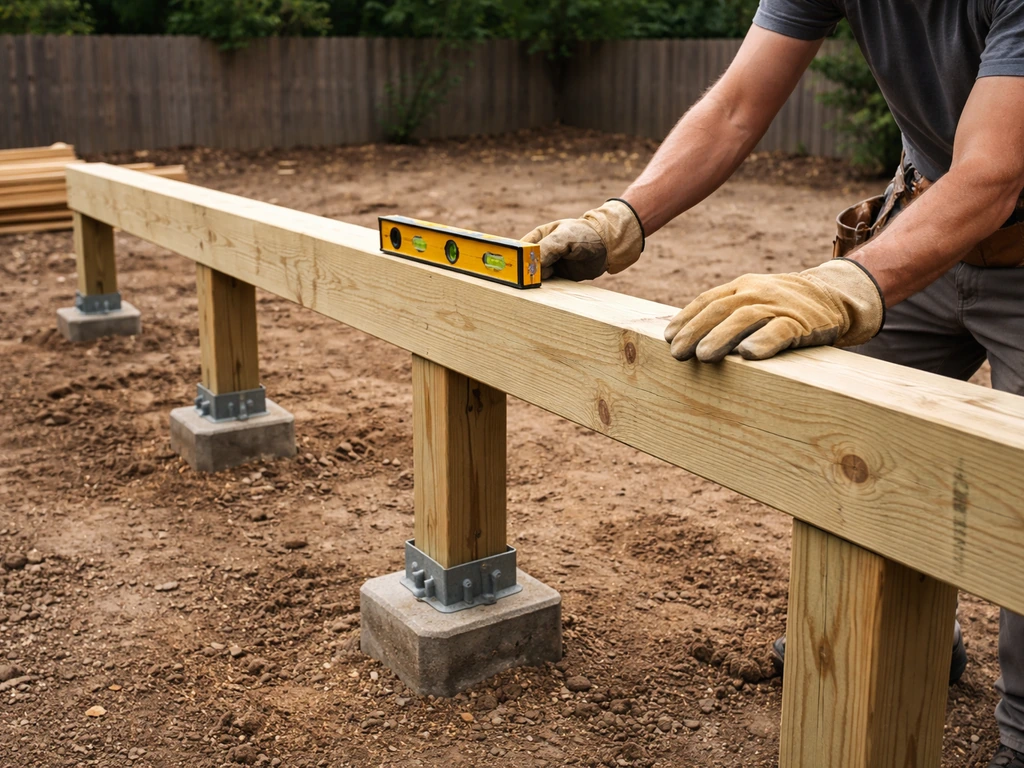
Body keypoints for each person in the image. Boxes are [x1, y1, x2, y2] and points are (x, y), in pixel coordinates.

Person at [522, 2, 1024, 765]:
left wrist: (844, 286)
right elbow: (733, 108)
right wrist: (618, 222)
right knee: (855, 440)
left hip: (999, 215)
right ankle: (910, 638)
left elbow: (994, 171)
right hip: (926, 222)